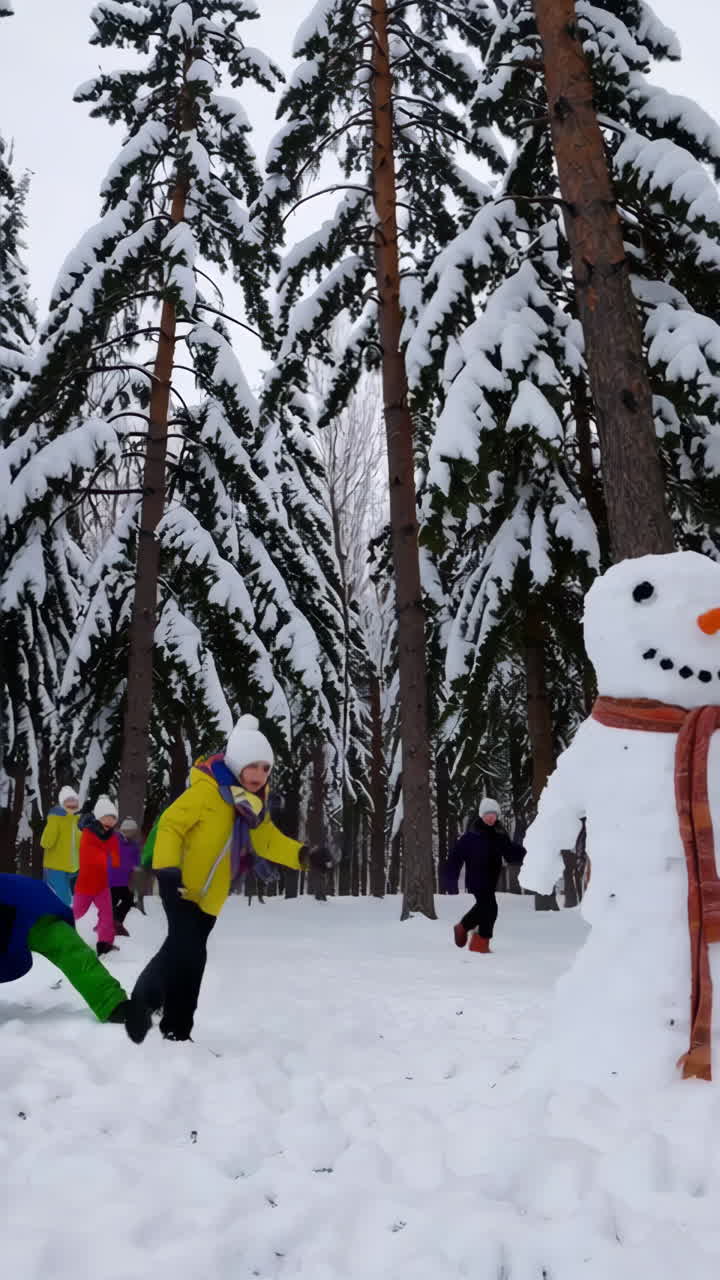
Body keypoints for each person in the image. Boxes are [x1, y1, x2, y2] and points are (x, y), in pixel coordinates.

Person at [128, 714, 333, 1043]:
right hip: (179, 886)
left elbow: (267, 841)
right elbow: (170, 826)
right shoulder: (206, 792)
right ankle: (175, 1030)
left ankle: (144, 1002)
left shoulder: (252, 806)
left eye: (266, 768)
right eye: (253, 766)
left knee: (180, 951)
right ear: (237, 763)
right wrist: (166, 872)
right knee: (190, 954)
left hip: (210, 897)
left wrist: (304, 856)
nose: (259, 774)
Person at [0, 873, 141, 1031]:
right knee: (73, 953)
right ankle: (112, 1003)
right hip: (36, 901)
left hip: (31, 907)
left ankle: (113, 1005)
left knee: (72, 954)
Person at [445, 797, 525, 953]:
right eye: (488, 814)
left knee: (485, 908)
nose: (491, 817)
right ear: (482, 815)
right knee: (490, 907)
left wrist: (529, 853)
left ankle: (463, 927)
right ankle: (480, 943)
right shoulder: (471, 836)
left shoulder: (499, 835)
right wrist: (450, 879)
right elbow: (455, 858)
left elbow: (510, 853)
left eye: (494, 815)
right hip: (476, 880)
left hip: (490, 880)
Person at [73, 796, 120, 957]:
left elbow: (114, 857)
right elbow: (91, 857)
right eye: (108, 817)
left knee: (107, 914)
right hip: (86, 885)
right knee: (76, 912)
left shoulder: (112, 836)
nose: (111, 822)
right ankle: (55, 927)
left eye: (114, 819)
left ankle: (104, 945)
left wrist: (115, 861)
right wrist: (107, 857)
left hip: (102, 885)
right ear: (99, 817)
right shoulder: (88, 834)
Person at [40, 786, 81, 906]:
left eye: (74, 801)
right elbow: (45, 842)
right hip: (56, 866)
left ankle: (53, 917)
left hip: (69, 867)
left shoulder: (74, 822)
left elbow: (80, 842)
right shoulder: (56, 819)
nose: (72, 804)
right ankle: (58, 919)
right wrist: (52, 824)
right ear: (62, 803)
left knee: (61, 897)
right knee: (65, 899)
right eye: (68, 801)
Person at [110, 817, 141, 937]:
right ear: (124, 830)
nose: (132, 834)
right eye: (130, 831)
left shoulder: (133, 844)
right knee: (112, 902)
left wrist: (136, 866)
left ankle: (116, 921)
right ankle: (110, 924)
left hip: (125, 880)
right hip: (113, 879)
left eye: (133, 831)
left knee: (128, 900)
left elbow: (136, 860)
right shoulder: (114, 840)